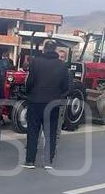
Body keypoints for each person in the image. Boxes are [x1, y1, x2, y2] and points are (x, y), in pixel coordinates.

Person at [23, 39, 71, 169]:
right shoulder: (62, 66)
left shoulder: (35, 62)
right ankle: (48, 161)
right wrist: (59, 98)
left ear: (44, 49)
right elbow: (66, 87)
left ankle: (30, 160)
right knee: (50, 132)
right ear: (55, 50)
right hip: (53, 103)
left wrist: (29, 94)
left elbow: (30, 82)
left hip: (35, 102)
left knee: (33, 131)